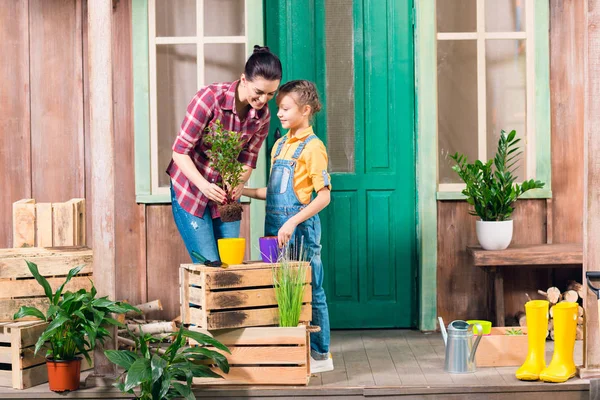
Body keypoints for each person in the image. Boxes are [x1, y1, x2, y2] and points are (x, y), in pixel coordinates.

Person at [243, 80, 334, 373]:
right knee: (279, 289)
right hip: (274, 230)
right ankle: (287, 347)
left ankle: (320, 355)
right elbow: (273, 191)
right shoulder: (280, 145)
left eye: (285, 108)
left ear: (305, 110)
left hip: (301, 232)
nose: (279, 113)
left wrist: (293, 221)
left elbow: (324, 196)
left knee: (311, 290)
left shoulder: (313, 148)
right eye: (278, 108)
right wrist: (240, 190)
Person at [167, 46, 282, 263]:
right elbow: (179, 152)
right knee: (209, 265)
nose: (263, 100)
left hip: (225, 195)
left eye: (270, 94)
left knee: (230, 264)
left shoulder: (262, 117)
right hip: (192, 187)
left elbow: (248, 158)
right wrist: (204, 186)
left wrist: (237, 182)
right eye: (258, 92)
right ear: (244, 80)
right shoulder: (209, 99)